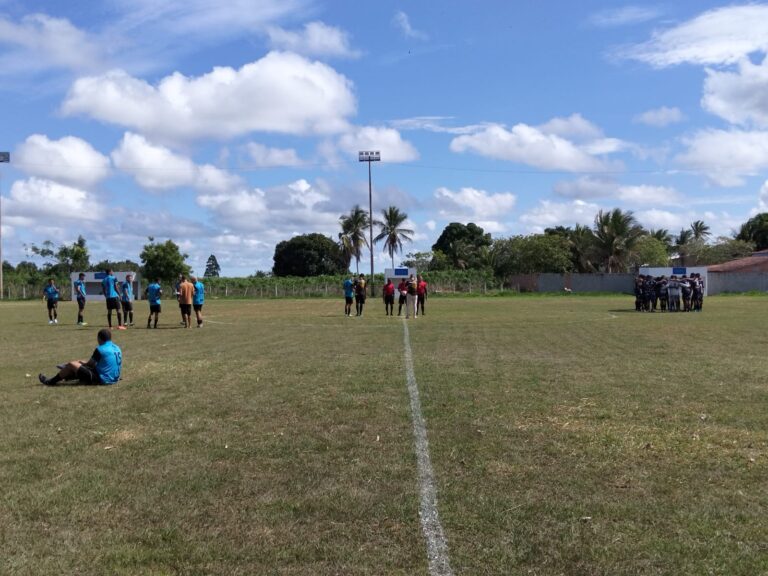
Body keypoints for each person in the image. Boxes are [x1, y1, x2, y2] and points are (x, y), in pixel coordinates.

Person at [38, 328, 122, 386]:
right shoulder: (117, 347)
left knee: (72, 364)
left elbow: (90, 365)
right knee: (78, 364)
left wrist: (79, 363)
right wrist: (80, 362)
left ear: (99, 338)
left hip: (103, 380)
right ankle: (67, 373)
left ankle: (51, 381)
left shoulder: (100, 349)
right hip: (114, 377)